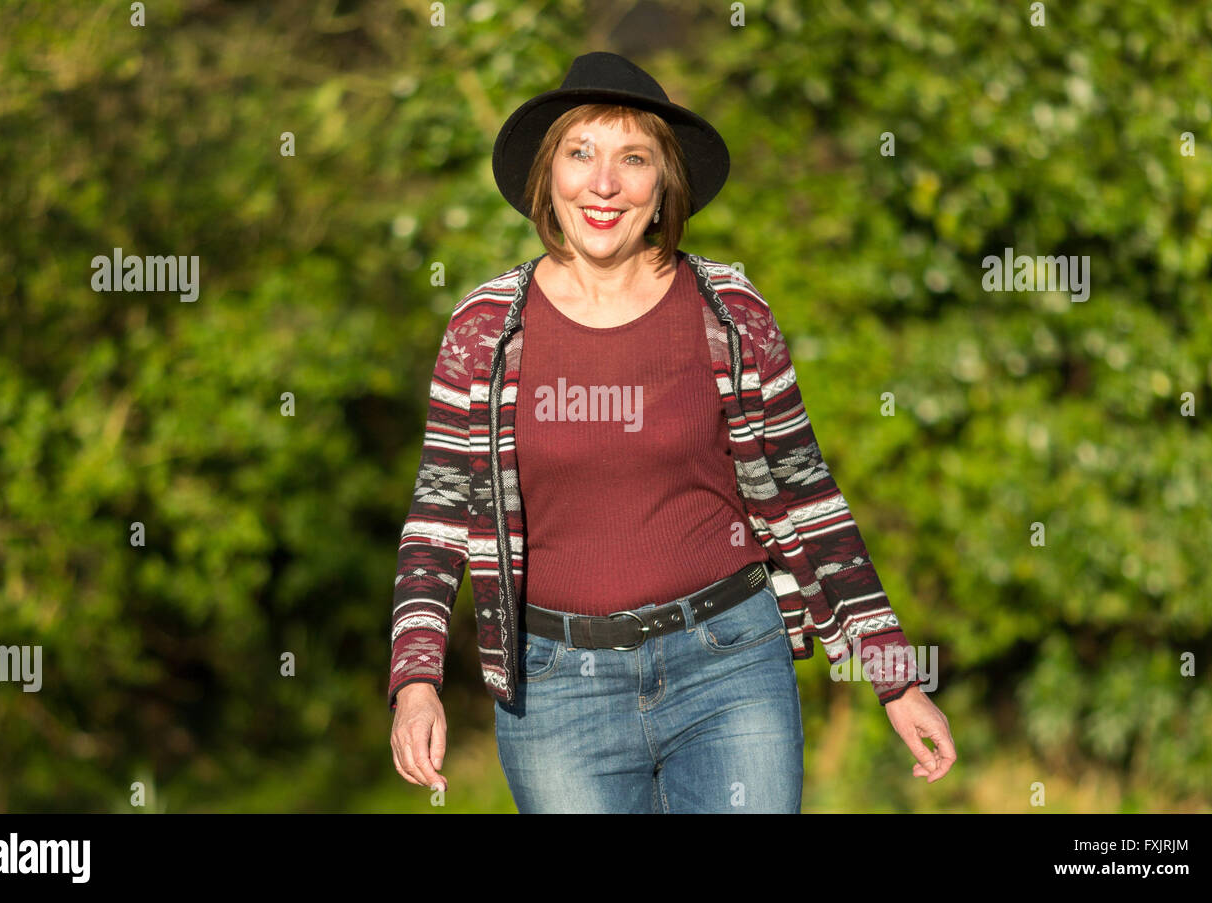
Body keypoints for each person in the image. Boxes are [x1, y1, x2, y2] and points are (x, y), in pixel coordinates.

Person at [389, 51, 956, 812]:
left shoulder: (729, 311)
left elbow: (806, 494)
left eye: (634, 158)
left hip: (730, 665)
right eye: (580, 153)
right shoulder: (485, 330)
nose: (604, 184)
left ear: (663, 186)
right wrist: (416, 679)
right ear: (547, 175)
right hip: (557, 691)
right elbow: (437, 518)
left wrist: (895, 675)